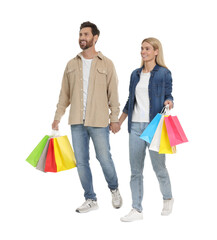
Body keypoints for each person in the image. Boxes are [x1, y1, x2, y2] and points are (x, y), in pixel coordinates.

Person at [52, 21, 122, 213]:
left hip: (99, 121)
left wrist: (114, 118)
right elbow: (64, 94)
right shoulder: (71, 64)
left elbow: (113, 95)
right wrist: (58, 116)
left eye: (86, 34)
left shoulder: (107, 64)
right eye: (80, 34)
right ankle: (90, 199)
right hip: (76, 122)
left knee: (104, 158)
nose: (82, 38)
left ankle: (114, 189)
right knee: (81, 162)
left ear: (95, 38)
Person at [119, 37, 174, 222]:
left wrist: (169, 101)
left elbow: (169, 93)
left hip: (154, 126)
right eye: (142, 48)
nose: (143, 51)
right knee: (135, 170)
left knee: (159, 167)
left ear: (156, 51)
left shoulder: (164, 73)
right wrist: (119, 121)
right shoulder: (135, 74)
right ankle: (136, 209)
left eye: (147, 48)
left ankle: (167, 198)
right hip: (134, 126)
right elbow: (129, 101)